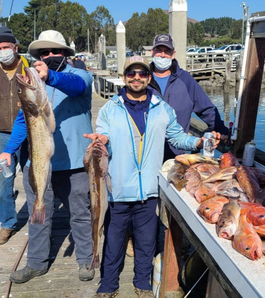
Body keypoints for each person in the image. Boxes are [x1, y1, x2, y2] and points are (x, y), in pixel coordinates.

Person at [84, 56, 205, 298]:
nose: (136, 77)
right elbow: (103, 133)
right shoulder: (110, 108)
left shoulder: (162, 108)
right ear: (124, 77)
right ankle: (108, 284)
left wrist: (198, 141)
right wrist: (102, 140)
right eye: (131, 73)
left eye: (141, 73)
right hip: (117, 189)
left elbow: (177, 137)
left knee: (146, 242)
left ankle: (142, 284)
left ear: (149, 78)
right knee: (114, 241)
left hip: (149, 190)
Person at [0, 30, 95, 283]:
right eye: (44, 52)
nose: (50, 55)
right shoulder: (33, 83)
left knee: (80, 213)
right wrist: (9, 150)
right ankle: (36, 262)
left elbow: (77, 87)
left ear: (66, 53)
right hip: (39, 163)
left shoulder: (79, 76)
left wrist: (50, 75)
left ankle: (86, 259)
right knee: (37, 213)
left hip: (74, 162)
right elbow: (23, 120)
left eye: (56, 51)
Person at [148, 33, 229, 161]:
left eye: (167, 51)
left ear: (173, 54)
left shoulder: (185, 79)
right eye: (159, 50)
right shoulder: (142, 80)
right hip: (147, 156)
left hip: (178, 155)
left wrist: (222, 131)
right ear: (152, 52)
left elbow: (206, 108)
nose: (162, 55)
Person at [0, 27, 29, 245]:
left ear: (15, 47)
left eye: (6, 47)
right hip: (2, 134)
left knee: (34, 178)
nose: (2, 52)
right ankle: (7, 223)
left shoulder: (29, 68)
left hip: (29, 133)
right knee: (3, 180)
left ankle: (41, 219)